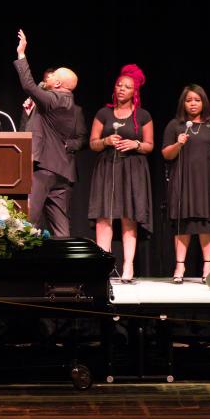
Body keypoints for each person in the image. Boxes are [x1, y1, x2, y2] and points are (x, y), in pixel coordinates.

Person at [14, 29, 87, 237]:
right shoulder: (69, 104)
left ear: (57, 84)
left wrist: (22, 53)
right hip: (61, 172)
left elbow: (28, 85)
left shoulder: (54, 100)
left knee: (27, 220)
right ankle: (67, 267)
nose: (48, 77)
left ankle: (20, 265)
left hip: (44, 169)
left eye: (53, 76)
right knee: (61, 228)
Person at [86, 64, 154, 282]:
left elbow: (150, 145)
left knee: (128, 216)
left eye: (127, 86)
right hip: (107, 167)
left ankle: (128, 266)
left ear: (135, 92)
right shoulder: (103, 113)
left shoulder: (143, 115)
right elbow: (93, 143)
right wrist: (106, 141)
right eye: (119, 85)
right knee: (104, 216)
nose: (122, 89)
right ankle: (102, 265)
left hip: (132, 169)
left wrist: (135, 144)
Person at [161, 84, 210, 283]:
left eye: (197, 100)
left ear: (203, 102)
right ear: (183, 103)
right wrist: (178, 143)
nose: (193, 103)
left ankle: (207, 266)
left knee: (206, 223)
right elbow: (166, 154)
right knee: (184, 222)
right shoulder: (175, 125)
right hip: (183, 180)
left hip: (209, 180)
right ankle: (179, 267)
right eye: (189, 100)